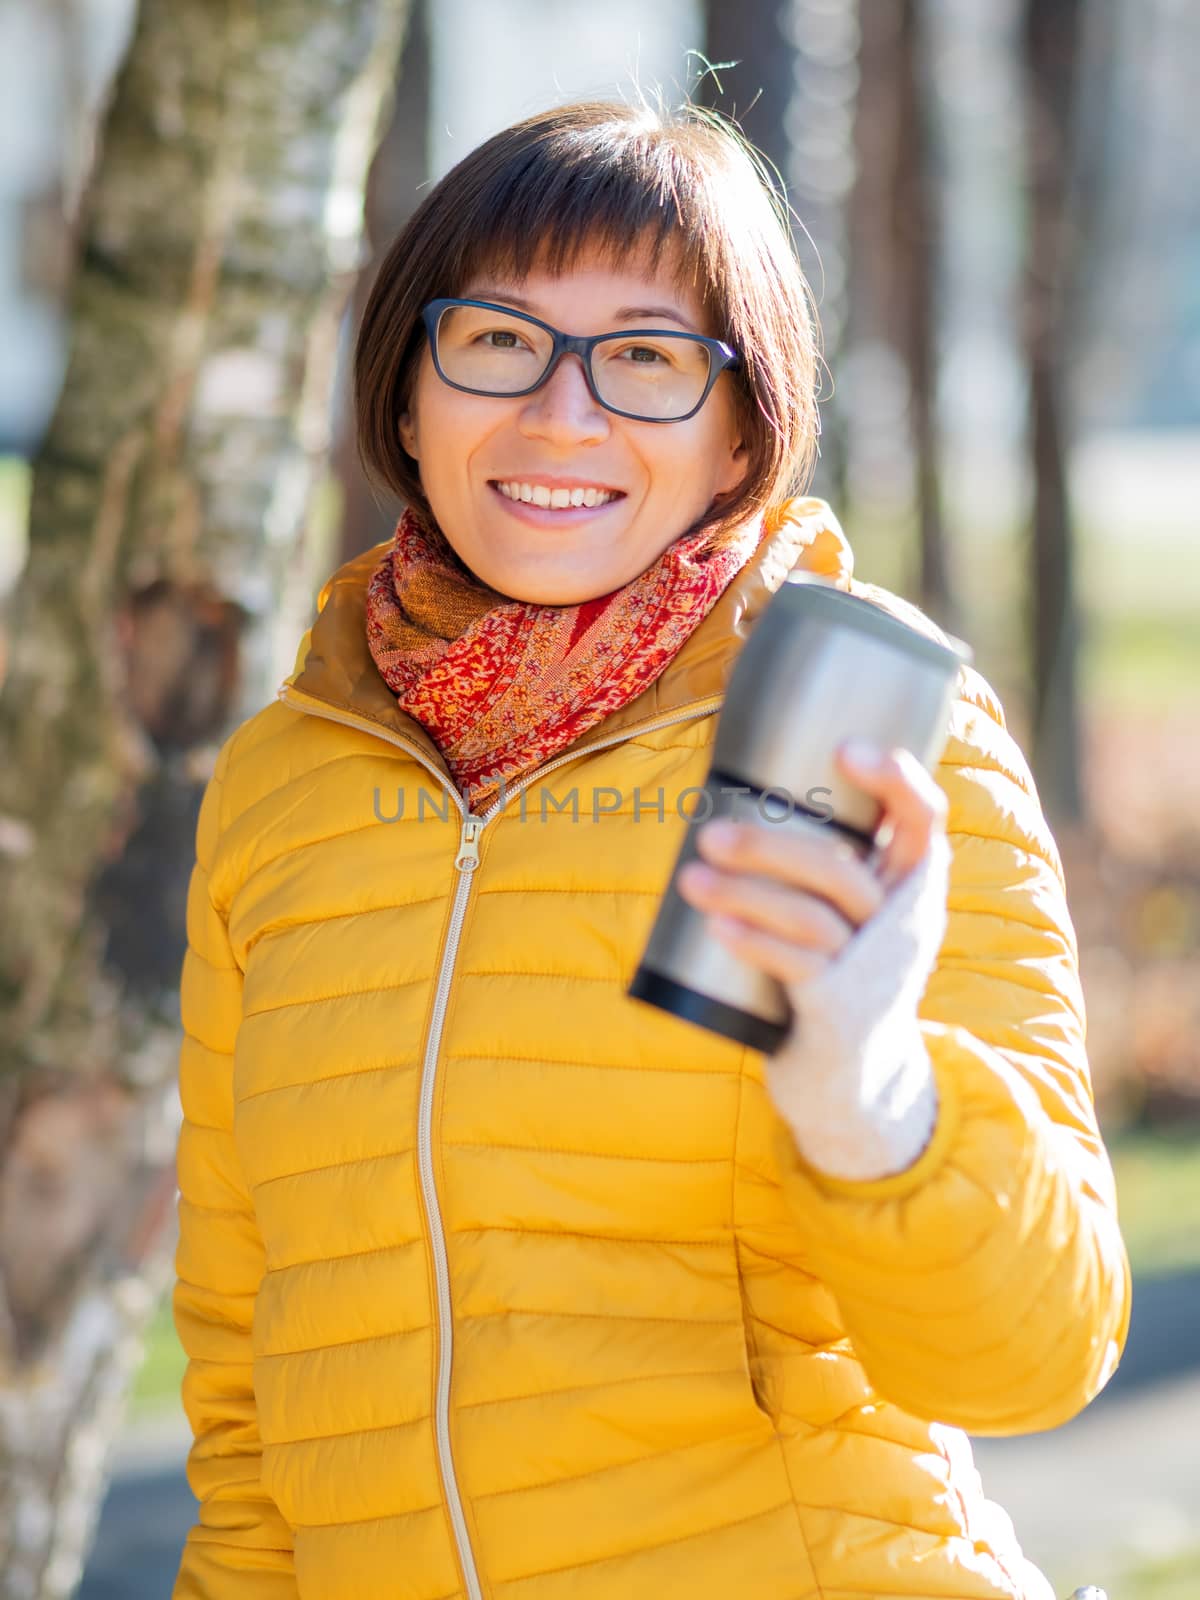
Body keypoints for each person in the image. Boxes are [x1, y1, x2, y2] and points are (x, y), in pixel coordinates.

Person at [171, 97, 1131, 1600]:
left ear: (745, 422)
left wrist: (869, 1093)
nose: (564, 418)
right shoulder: (287, 781)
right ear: (407, 392)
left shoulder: (866, 731)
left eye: (646, 359)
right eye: (495, 340)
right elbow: (250, 1374)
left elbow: (1037, 1353)